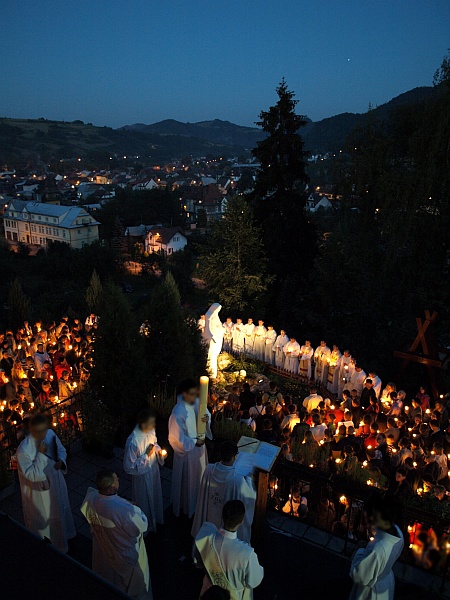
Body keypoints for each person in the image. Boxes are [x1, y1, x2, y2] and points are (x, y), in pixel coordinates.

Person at [81, 470, 152, 600]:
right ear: (111, 488)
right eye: (116, 479)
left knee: (111, 576)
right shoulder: (123, 510)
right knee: (132, 583)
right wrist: (136, 510)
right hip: (124, 552)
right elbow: (140, 527)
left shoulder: (92, 498)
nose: (118, 480)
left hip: (105, 546)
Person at [16, 413, 75, 553]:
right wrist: (41, 455)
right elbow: (31, 474)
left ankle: (64, 538)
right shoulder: (23, 450)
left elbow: (61, 449)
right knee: (47, 517)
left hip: (56, 480)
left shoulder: (50, 434)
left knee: (60, 509)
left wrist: (61, 461)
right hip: (41, 490)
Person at [195, 499, 264, 600]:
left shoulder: (205, 535)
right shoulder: (247, 553)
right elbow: (254, 581)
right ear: (241, 521)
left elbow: (197, 560)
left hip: (209, 590)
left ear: (222, 516)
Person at [192, 441, 256, 544]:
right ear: (234, 457)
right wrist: (249, 480)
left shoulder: (209, 470)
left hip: (209, 516)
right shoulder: (237, 480)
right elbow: (248, 498)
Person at [169, 379, 212, 518]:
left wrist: (207, 418)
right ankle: (186, 506)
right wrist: (194, 442)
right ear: (184, 394)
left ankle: (198, 502)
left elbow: (206, 413)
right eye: (192, 394)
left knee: (199, 478)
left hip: (199, 449)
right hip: (188, 453)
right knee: (188, 482)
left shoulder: (197, 403)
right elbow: (176, 438)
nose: (195, 397)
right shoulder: (178, 412)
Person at [349, 495, 404, 600]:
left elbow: (360, 576)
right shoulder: (398, 533)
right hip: (385, 583)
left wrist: (361, 551)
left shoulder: (378, 547)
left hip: (372, 591)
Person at [124, 407, 165, 533]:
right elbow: (129, 467)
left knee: (155, 496)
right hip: (142, 476)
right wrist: (146, 455)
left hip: (153, 471)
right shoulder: (133, 441)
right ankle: (145, 527)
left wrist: (159, 452)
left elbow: (155, 443)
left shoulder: (150, 430)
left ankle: (157, 519)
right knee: (144, 501)